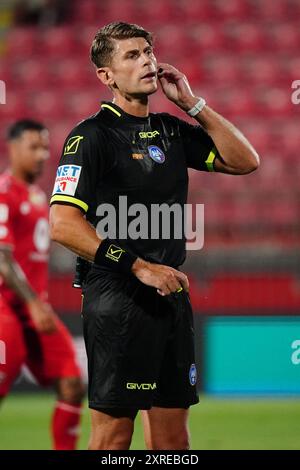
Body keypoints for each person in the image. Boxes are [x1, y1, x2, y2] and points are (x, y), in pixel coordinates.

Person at [49, 22, 259, 450]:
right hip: (118, 295)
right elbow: (63, 225)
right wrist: (139, 267)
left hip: (169, 294)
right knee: (113, 439)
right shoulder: (91, 137)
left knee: (172, 443)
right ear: (105, 76)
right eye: (131, 55)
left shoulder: (171, 129)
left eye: (147, 51)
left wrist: (193, 104)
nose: (146, 60)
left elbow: (245, 161)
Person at [0, 120, 85, 450]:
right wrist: (34, 302)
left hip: (33, 305)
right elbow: (2, 258)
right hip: (7, 305)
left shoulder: (38, 196)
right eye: (33, 147)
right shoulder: (4, 192)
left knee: (72, 383)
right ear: (13, 148)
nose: (41, 155)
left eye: (45, 148)